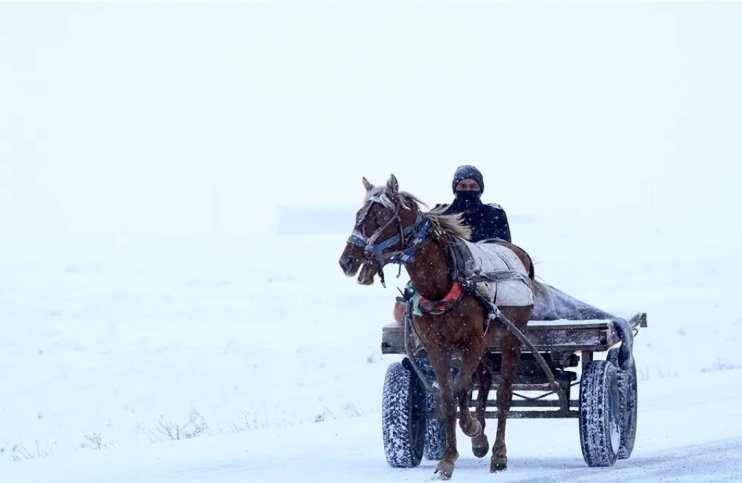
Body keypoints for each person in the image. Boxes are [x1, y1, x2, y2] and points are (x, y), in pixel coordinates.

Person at [437, 165, 511, 243]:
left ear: (480, 189)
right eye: (462, 186)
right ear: (455, 189)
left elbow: (505, 250)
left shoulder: (495, 215)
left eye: (473, 186)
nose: (468, 190)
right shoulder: (441, 214)